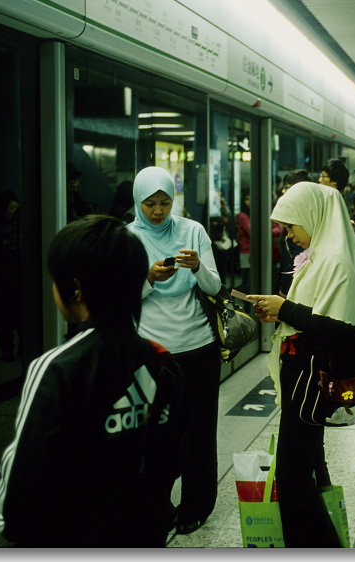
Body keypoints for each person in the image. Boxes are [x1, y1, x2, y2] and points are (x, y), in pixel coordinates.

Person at [0, 215, 185, 546]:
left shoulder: (56, 368)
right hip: (145, 534)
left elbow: (19, 494)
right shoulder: (164, 363)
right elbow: (176, 457)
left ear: (75, 288)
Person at [247, 182, 355, 548]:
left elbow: (342, 330)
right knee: (305, 469)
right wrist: (280, 311)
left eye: (291, 226)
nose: (289, 236)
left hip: (311, 379)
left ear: (312, 217)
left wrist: (284, 308)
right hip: (301, 377)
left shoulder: (336, 260)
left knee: (292, 479)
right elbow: (317, 313)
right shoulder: (323, 254)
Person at [127, 166, 222, 536]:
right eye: (149, 204)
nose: (158, 211)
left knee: (200, 432)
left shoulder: (192, 231)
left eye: (165, 203)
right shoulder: (128, 238)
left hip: (198, 346)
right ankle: (156, 504)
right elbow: (120, 297)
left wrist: (198, 267)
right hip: (152, 351)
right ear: (138, 202)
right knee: (157, 434)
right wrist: (148, 278)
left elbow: (214, 287)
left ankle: (196, 506)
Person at [0, 190, 23, 362]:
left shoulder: (19, 228)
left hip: (15, 279)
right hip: (3, 281)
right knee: (4, 317)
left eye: (16, 207)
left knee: (20, 316)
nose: (15, 211)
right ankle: (6, 349)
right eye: (11, 208)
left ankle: (22, 346)